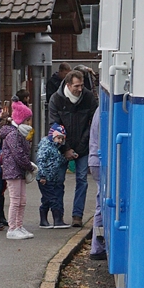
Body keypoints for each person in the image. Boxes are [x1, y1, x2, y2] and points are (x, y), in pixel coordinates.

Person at [48, 68, 98, 227]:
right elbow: (54, 126)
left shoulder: (89, 98)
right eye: (76, 86)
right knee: (58, 181)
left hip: (83, 147)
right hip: (62, 147)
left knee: (82, 180)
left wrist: (82, 145)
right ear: (68, 85)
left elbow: (93, 124)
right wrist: (66, 148)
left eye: (81, 85)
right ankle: (58, 216)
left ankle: (77, 215)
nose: (80, 89)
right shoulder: (56, 99)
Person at [0, 103, 38, 240]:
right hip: (13, 171)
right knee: (16, 200)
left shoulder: (18, 133)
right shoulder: (13, 134)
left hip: (18, 171)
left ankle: (19, 225)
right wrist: (30, 166)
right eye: (27, 120)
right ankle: (12, 228)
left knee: (22, 200)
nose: (29, 123)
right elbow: (19, 154)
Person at [36, 123, 69, 228]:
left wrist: (66, 159)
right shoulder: (46, 146)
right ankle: (57, 220)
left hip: (52, 177)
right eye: (58, 138)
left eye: (62, 139)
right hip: (45, 178)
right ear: (52, 136)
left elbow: (56, 161)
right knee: (53, 198)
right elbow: (41, 161)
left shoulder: (55, 148)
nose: (60, 141)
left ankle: (43, 220)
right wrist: (42, 176)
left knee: (47, 199)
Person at [88, 105, 106, 258]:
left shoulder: (98, 110)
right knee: (101, 202)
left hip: (94, 159)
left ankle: (97, 245)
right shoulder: (103, 111)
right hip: (99, 161)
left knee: (100, 201)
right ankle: (97, 247)